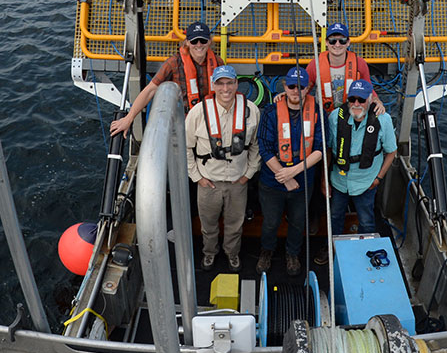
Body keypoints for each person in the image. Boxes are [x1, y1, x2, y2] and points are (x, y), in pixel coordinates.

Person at [185, 65, 261, 271]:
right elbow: (185, 147)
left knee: (235, 226)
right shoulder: (198, 113)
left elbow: (256, 146)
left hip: (238, 182)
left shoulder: (251, 111)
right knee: (208, 225)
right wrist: (197, 177)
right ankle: (209, 253)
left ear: (237, 84)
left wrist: (248, 174)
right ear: (213, 86)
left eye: (229, 83)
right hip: (208, 183)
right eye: (220, 84)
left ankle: (232, 254)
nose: (225, 89)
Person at [255, 66, 325, 277]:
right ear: (284, 87)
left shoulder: (316, 113)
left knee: (297, 222)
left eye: (301, 87)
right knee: (270, 223)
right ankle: (266, 251)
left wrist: (293, 172)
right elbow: (264, 148)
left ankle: (292, 253)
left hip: (302, 182)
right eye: (292, 86)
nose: (296, 91)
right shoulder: (270, 112)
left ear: (307, 89)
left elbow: (320, 150)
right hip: (272, 183)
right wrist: (284, 177)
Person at [320, 79, 396, 262]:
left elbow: (392, 152)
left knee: (366, 219)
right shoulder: (335, 118)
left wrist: (378, 178)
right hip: (339, 179)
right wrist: (325, 180)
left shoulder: (383, 120)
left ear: (370, 100)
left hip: (366, 181)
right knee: (335, 216)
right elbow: (329, 150)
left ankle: (365, 253)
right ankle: (331, 249)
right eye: (352, 99)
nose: (356, 104)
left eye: (361, 100)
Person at [110, 21, 222, 136]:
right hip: (183, 122)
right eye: (194, 41)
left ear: (209, 42)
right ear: (187, 43)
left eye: (203, 41)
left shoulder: (218, 63)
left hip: (209, 120)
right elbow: (150, 90)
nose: (199, 45)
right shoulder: (173, 64)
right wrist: (128, 118)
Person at [306, 22, 383, 116]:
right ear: (326, 42)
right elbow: (303, 89)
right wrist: (287, 95)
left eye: (342, 40)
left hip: (350, 115)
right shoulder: (315, 64)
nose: (337, 45)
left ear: (348, 42)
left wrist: (377, 101)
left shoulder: (360, 63)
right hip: (324, 117)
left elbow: (369, 89)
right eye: (332, 40)